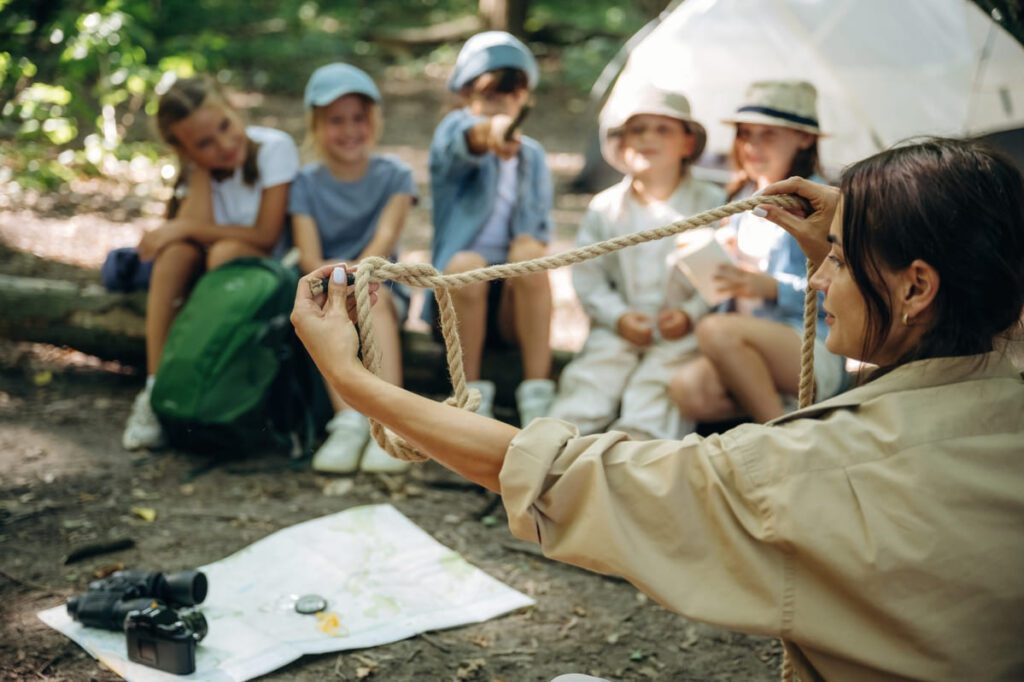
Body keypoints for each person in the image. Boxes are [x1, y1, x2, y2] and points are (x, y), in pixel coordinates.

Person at [292, 137, 1024, 680]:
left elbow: (562, 476)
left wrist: (356, 383)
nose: (819, 279)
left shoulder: (805, 469)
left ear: (917, 288)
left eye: (835, 259)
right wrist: (865, 231)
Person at [122, 76, 299, 451]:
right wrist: (197, 171)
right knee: (174, 256)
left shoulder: (273, 148)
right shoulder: (197, 169)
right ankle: (156, 387)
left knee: (224, 251)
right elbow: (184, 240)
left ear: (233, 110)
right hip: (208, 276)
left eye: (224, 126)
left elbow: (266, 236)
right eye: (204, 144)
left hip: (260, 276)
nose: (223, 144)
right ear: (184, 150)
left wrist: (185, 225)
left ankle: (209, 372)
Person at [548, 85, 724, 439]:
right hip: (620, 325)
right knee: (588, 387)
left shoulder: (714, 203)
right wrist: (619, 316)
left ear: (687, 144)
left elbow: (722, 276)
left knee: (653, 400)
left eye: (663, 130)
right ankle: (550, 459)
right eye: (638, 130)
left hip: (681, 333)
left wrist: (691, 313)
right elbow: (588, 277)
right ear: (622, 145)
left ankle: (632, 469)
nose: (648, 139)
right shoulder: (606, 208)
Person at [669, 80, 848, 425]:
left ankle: (780, 432)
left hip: (807, 343)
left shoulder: (823, 204)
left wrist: (767, 287)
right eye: (745, 134)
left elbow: (844, 291)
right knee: (686, 389)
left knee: (716, 330)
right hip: (746, 345)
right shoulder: (740, 199)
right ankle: (781, 411)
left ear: (804, 138)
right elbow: (729, 291)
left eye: (768, 135)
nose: (752, 146)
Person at [290, 63, 416, 474]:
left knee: (372, 305)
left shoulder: (396, 176)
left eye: (359, 118)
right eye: (336, 120)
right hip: (325, 288)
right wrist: (335, 284)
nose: (349, 130)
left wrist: (355, 278)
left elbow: (380, 247)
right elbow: (308, 256)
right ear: (317, 125)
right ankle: (347, 421)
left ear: (374, 121)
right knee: (330, 307)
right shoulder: (305, 183)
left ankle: (390, 420)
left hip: (380, 286)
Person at [427, 31, 555, 425]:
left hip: (512, 298)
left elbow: (536, 227)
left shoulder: (532, 156)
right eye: (490, 93)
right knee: (466, 263)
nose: (501, 103)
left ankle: (538, 390)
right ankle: (470, 393)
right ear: (467, 95)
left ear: (524, 97)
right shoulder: (454, 130)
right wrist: (493, 132)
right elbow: (465, 144)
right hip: (458, 292)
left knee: (530, 252)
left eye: (510, 92)